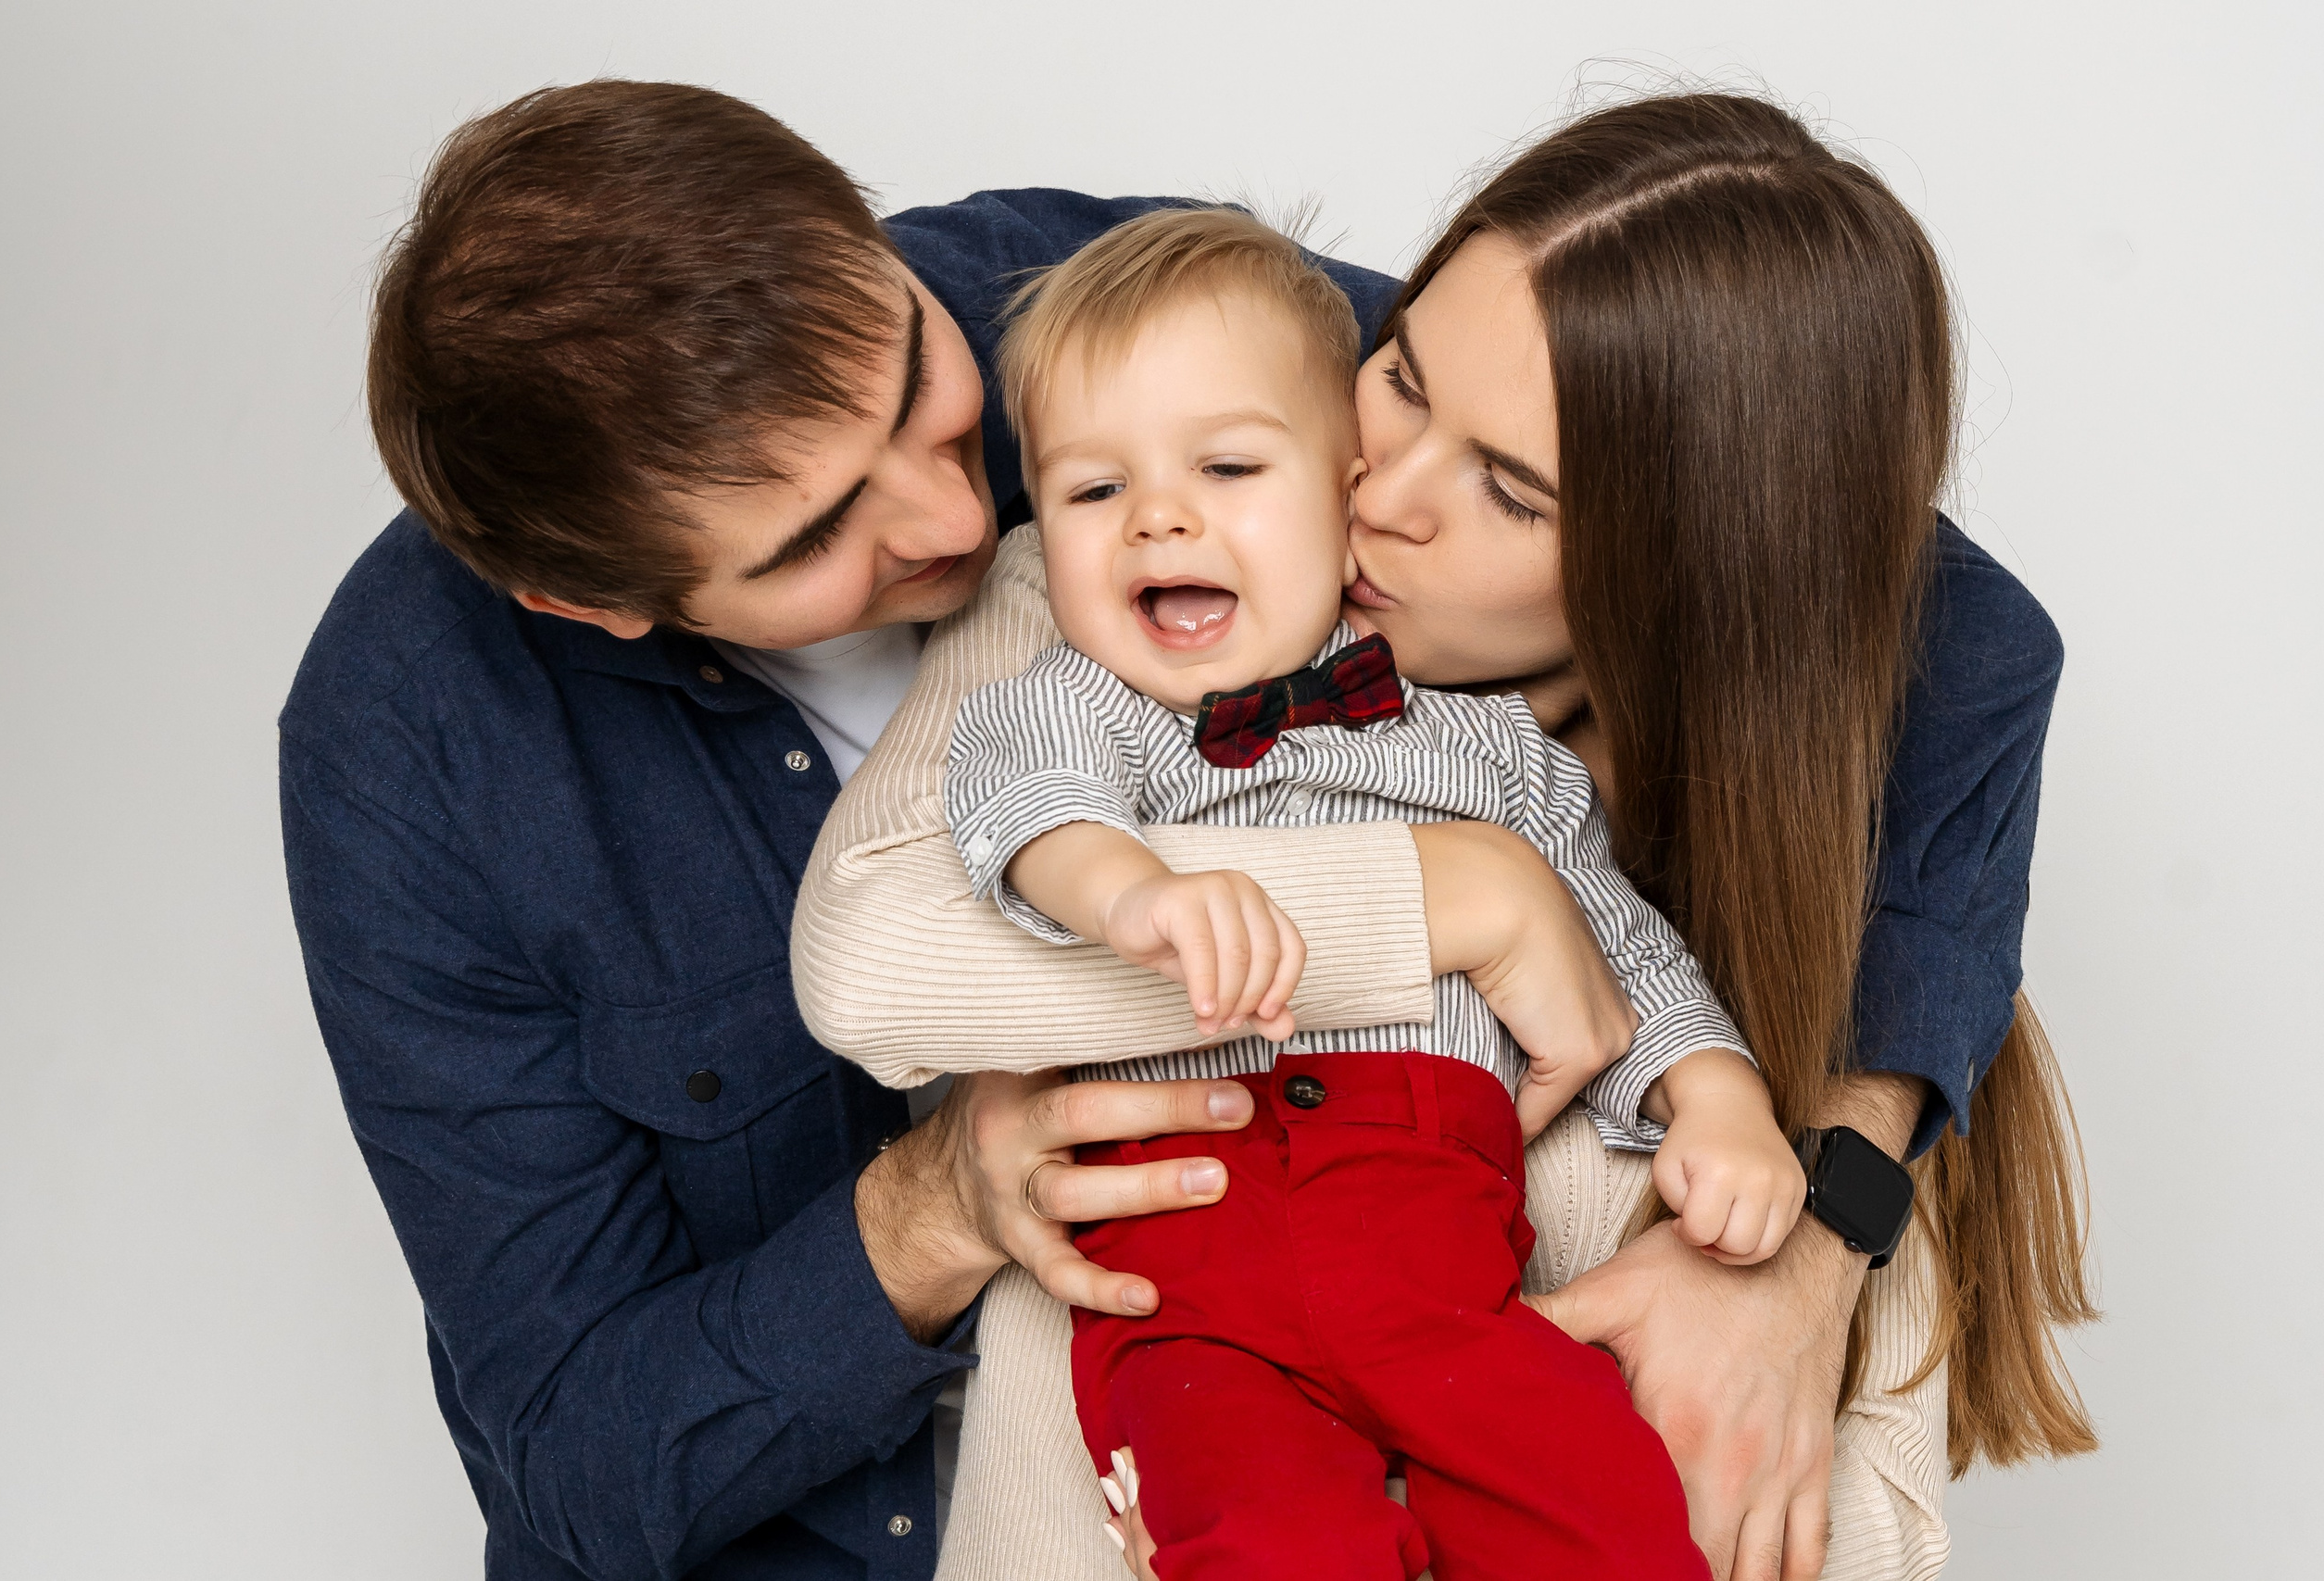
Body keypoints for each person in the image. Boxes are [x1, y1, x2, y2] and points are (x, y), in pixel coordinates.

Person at [283, 79, 1610, 1580]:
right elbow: (581, 1467)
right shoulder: (409, 745)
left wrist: (1831, 1215)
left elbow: (1845, 557)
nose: (952, 520)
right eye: (811, 541)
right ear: (591, 604)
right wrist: (930, 1214)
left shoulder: (1077, 303)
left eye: (917, 385)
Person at [791, 94, 2096, 1580]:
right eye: (1400, 379)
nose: (1378, 496)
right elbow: (880, 957)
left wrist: (1789, 1244)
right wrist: (1454, 898)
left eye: (1512, 491)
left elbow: (1985, 640)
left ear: (1691, 579)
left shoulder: (1803, 1038)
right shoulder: (1108, 608)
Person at [924, 205, 1803, 1577]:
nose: (1157, 516)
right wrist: (1130, 898)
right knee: (1273, 1541)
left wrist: (1722, 1097)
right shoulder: (1072, 700)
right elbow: (1027, 812)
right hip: (1188, 1270)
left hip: (1438, 1271)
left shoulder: (1490, 750)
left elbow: (1617, 946)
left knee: (1608, 1519)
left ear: (1343, 492)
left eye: (1224, 468)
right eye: (1092, 492)